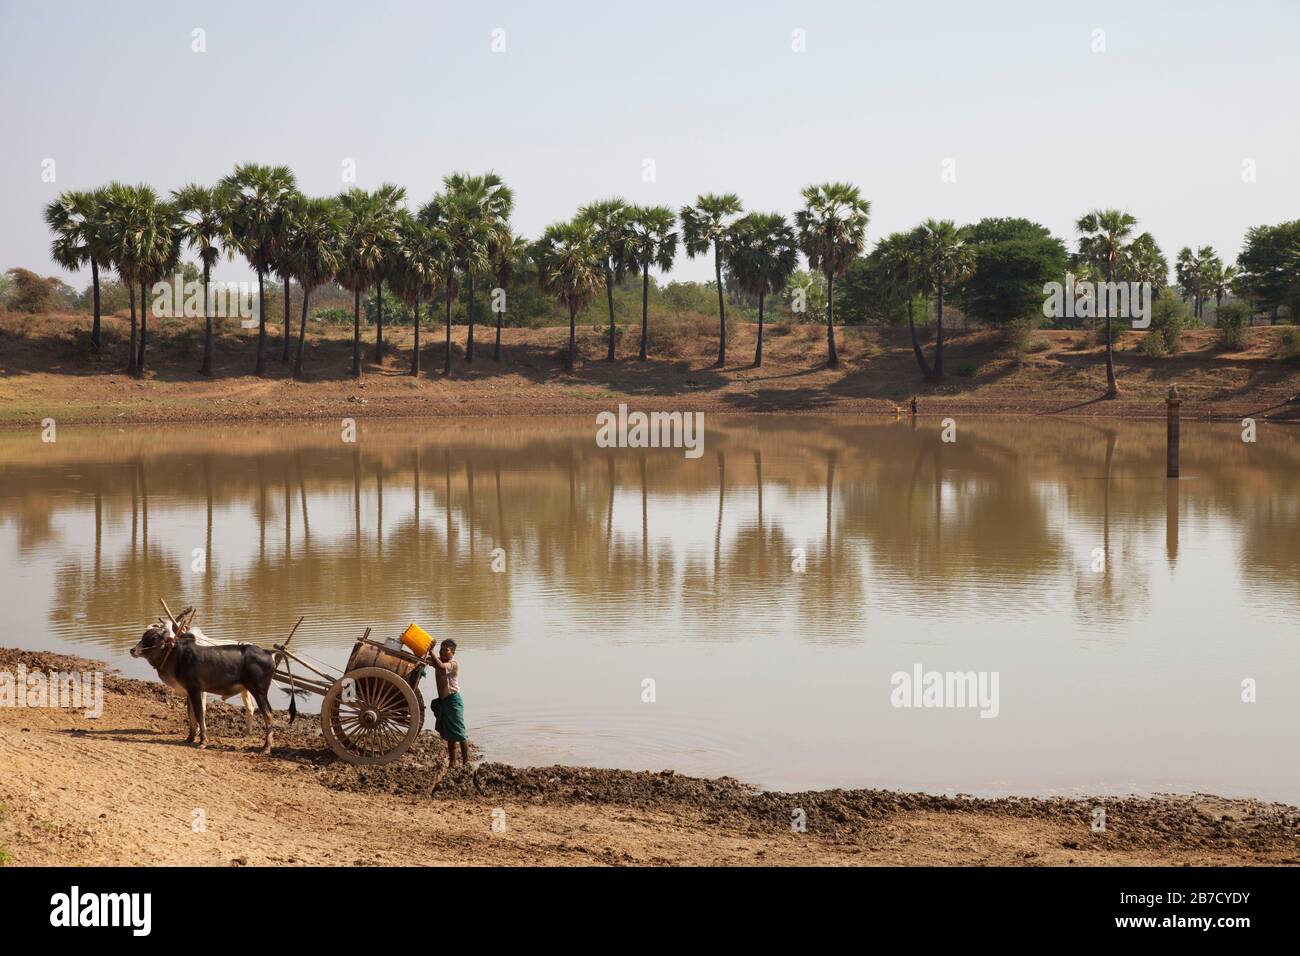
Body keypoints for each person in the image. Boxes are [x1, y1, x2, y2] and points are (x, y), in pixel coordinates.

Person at [427, 638, 469, 769]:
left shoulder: (453, 664)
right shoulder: (439, 660)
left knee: (460, 733)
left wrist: (431, 651)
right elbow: (425, 660)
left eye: (446, 650)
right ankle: (452, 762)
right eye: (441, 650)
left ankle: (466, 762)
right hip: (445, 701)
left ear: (453, 653)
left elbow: (439, 666)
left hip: (453, 701)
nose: (443, 652)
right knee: (451, 735)